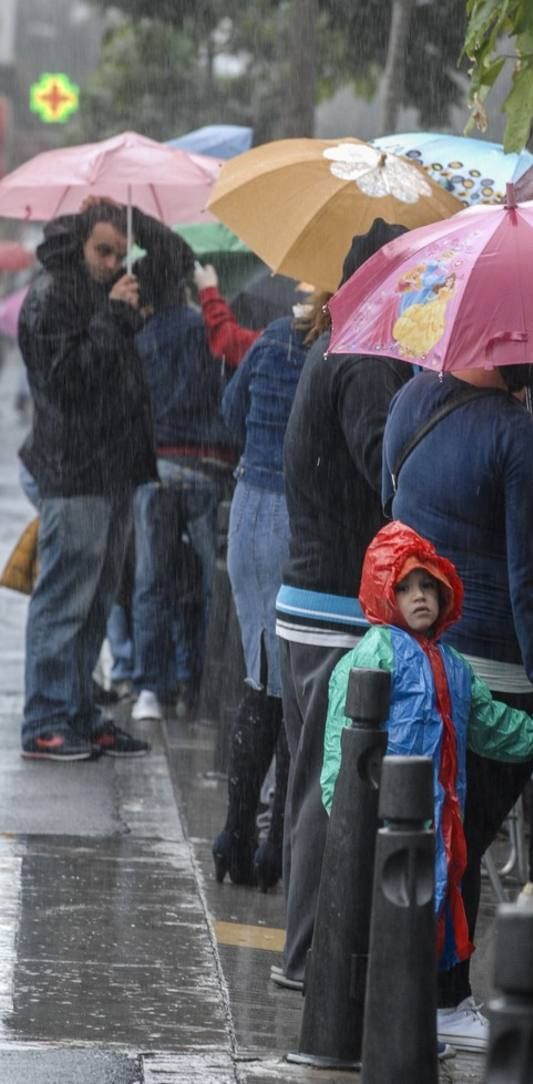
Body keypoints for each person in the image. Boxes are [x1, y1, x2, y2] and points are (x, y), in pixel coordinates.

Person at [382, 360, 533, 1046]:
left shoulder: (412, 400)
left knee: (436, 820)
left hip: (415, 651)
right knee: (459, 833)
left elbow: (392, 502)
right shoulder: (525, 441)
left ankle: (413, 987)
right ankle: (443, 997)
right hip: (495, 665)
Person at [321, 522, 533, 1035]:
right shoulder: (373, 656)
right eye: (404, 586)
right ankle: (392, 1026)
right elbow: (342, 747)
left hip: (439, 824)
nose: (420, 597)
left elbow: (490, 726)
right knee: (392, 921)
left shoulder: (454, 666)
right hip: (388, 824)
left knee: (432, 919)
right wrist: (348, 811)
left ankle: (423, 1016)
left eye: (427, 586)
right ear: (383, 592)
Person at [274, 219, 411, 990]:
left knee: (313, 796)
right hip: (334, 608)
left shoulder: (336, 344)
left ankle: (304, 955)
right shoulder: (362, 360)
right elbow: (385, 473)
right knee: (333, 798)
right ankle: (311, 963)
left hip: (309, 600)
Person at [17, 197, 190, 760]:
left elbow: (177, 261)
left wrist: (138, 219)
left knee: (94, 604)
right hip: (75, 473)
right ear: (80, 243)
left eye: (121, 251)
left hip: (116, 470)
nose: (115, 262)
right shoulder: (53, 294)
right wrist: (114, 318)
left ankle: (79, 713)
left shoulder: (108, 285)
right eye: (104, 250)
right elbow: (65, 381)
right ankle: (45, 718)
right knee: (65, 600)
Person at [206, 271, 327, 890]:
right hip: (294, 515)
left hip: (250, 507)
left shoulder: (274, 337)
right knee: (289, 688)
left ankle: (234, 832)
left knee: (262, 676)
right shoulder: (335, 354)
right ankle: (275, 842)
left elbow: (229, 413)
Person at [130, 269, 242, 722]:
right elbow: (229, 395)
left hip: (155, 465)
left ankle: (149, 691)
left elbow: (132, 403)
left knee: (152, 583)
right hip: (207, 463)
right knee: (212, 582)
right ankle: (205, 685)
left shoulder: (140, 336)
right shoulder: (209, 330)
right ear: (184, 287)